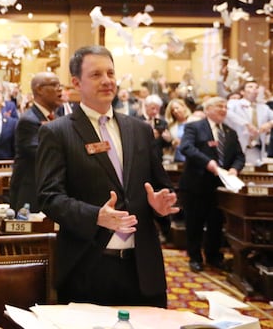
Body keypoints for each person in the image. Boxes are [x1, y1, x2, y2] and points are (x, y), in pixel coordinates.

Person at [37, 45, 179, 308]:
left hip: (143, 268)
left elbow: (160, 186)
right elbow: (49, 198)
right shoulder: (57, 133)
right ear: (76, 82)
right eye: (96, 75)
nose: (107, 81)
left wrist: (160, 205)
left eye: (111, 73)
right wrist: (96, 216)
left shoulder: (140, 130)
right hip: (89, 266)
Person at [178, 97, 244, 272]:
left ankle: (213, 256)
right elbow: (186, 148)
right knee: (195, 223)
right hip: (196, 185)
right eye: (219, 106)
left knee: (216, 223)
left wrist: (235, 169)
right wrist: (207, 163)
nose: (223, 109)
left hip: (221, 188)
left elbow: (239, 156)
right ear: (207, 109)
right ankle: (195, 258)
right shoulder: (194, 127)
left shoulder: (230, 132)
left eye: (225, 106)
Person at [9, 72, 63, 212]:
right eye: (54, 85)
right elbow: (40, 153)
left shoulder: (55, 116)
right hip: (30, 192)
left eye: (60, 85)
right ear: (39, 89)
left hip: (49, 189)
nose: (60, 89)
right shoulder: (29, 120)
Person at [225, 81, 273, 165]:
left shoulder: (264, 107)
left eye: (256, 87)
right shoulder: (234, 103)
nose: (254, 89)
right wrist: (246, 124)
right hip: (239, 146)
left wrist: (270, 124)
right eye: (250, 87)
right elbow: (227, 113)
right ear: (242, 92)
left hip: (256, 148)